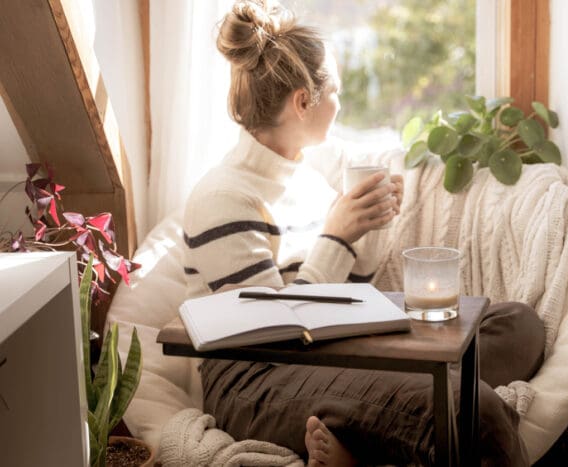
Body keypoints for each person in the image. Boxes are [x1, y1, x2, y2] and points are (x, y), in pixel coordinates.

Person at [183, 1, 545, 465]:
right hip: (258, 381)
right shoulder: (223, 196)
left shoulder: (309, 175)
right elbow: (274, 340)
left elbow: (346, 299)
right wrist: (336, 237)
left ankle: (373, 433)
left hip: (330, 354)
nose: (341, 103)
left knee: (517, 327)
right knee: (477, 411)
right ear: (303, 101)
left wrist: (371, 227)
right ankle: (411, 416)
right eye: (335, 90)